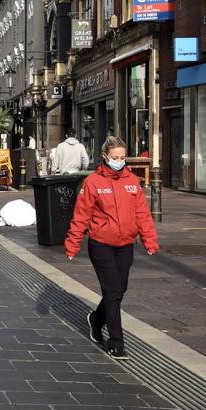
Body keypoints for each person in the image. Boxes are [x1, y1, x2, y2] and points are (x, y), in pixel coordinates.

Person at [64, 136, 159, 360]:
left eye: (122, 157)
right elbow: (81, 215)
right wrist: (73, 243)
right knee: (112, 291)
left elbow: (142, 214)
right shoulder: (94, 182)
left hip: (126, 244)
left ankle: (96, 320)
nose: (119, 161)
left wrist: (149, 240)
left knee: (120, 289)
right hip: (101, 244)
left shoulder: (132, 182)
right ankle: (117, 343)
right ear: (105, 157)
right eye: (115, 157)